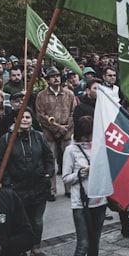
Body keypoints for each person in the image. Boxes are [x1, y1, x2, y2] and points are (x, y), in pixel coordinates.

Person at [0, 106, 54, 256]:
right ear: (15, 119)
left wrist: (48, 173)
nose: (25, 120)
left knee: (37, 220)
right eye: (22, 117)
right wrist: (7, 182)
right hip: (17, 187)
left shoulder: (39, 136)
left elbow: (48, 156)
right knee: (20, 220)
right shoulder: (6, 139)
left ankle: (35, 247)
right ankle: (21, 248)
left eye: (27, 117)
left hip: (38, 185)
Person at [60, 116, 109, 256]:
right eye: (87, 135)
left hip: (99, 201)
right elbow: (65, 178)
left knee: (95, 242)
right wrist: (82, 172)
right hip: (81, 203)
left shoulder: (99, 146)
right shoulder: (71, 150)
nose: (89, 139)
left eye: (91, 135)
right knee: (83, 245)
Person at [35, 66, 77, 200]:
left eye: (58, 76)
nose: (56, 78)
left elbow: (73, 112)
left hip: (67, 132)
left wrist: (65, 128)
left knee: (68, 161)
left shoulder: (69, 94)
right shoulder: (41, 96)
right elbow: (40, 115)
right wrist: (57, 128)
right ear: (47, 80)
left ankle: (69, 188)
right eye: (53, 76)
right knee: (50, 161)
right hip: (49, 133)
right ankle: (52, 190)